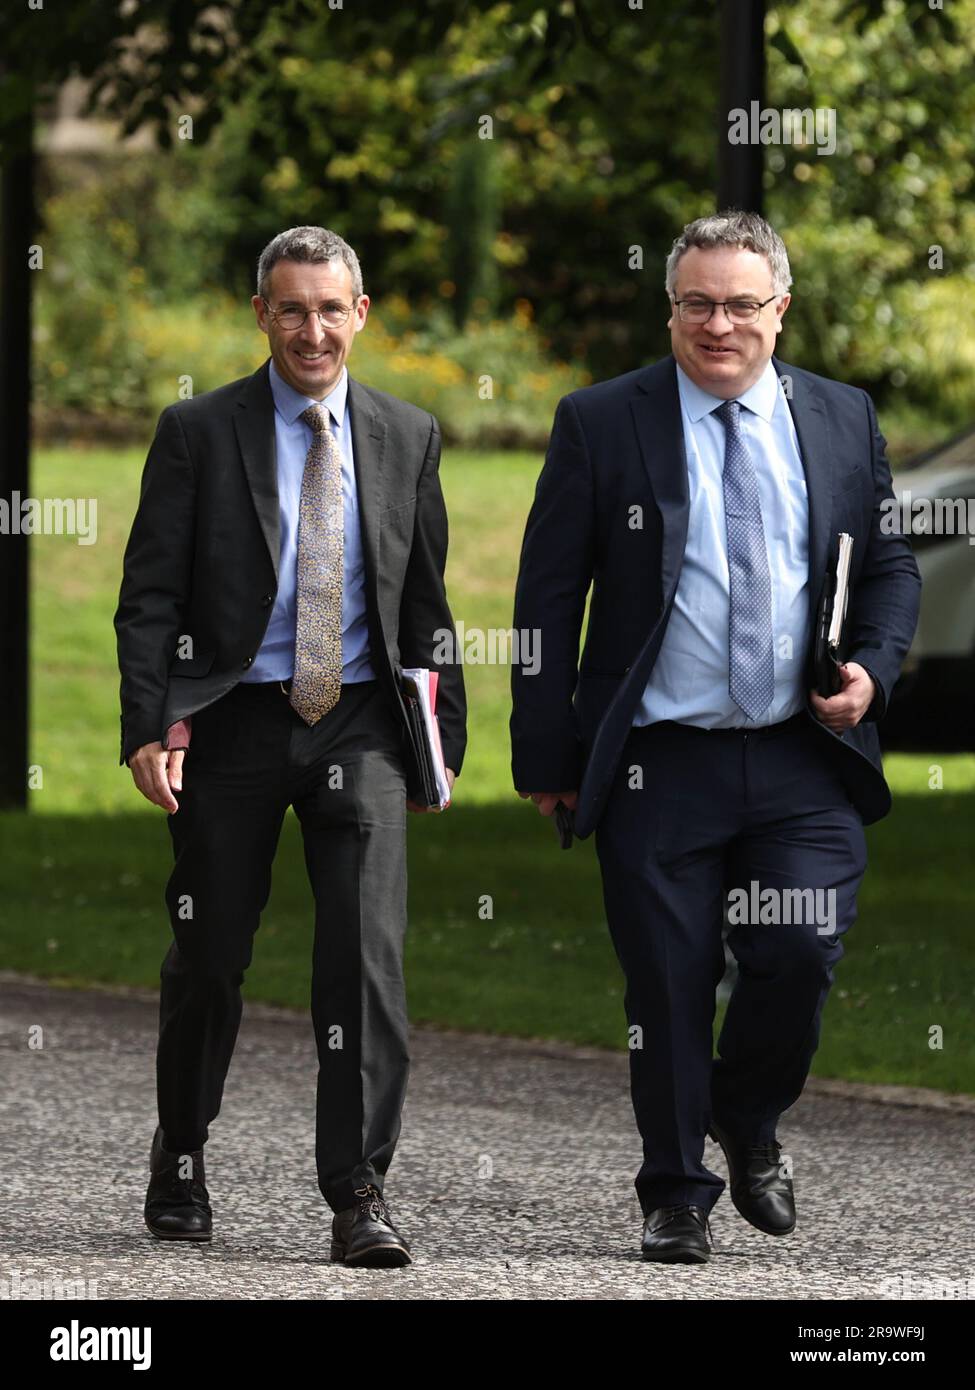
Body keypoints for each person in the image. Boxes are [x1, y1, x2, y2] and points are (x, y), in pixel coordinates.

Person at [510, 210, 920, 1264]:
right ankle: (676, 1192)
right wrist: (547, 756)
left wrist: (872, 668)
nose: (719, 323)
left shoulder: (839, 417)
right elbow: (547, 600)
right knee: (669, 977)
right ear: (672, 308)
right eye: (698, 302)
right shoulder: (606, 421)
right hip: (661, 758)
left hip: (801, 754)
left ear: (781, 309)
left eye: (742, 303)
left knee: (800, 948)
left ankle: (748, 1115)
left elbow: (888, 567)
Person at [115, 225, 466, 1268]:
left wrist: (440, 739)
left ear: (361, 313)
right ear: (260, 314)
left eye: (330, 307)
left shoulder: (409, 434)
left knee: (363, 954)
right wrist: (149, 721)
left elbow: (428, 606)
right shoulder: (198, 431)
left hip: (357, 718)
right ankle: (181, 1146)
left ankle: (358, 1189)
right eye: (290, 307)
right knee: (212, 950)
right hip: (235, 715)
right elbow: (150, 596)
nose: (312, 328)